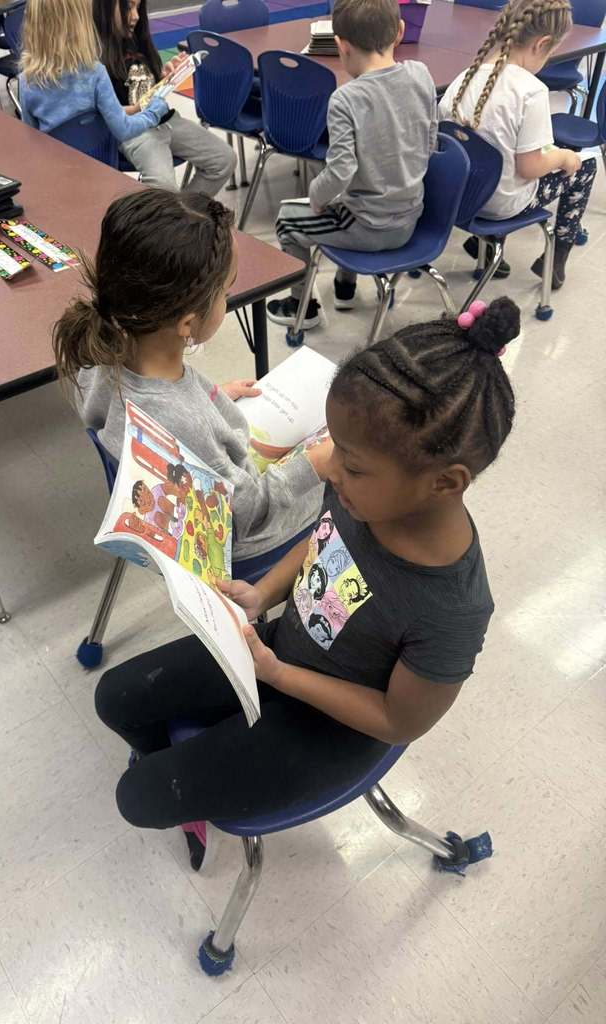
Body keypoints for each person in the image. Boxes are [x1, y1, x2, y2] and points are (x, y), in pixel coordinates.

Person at [95, 297, 521, 868]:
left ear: (446, 482)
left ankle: (188, 785)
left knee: (138, 798)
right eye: (336, 450)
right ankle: (188, 765)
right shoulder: (364, 497)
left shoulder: (452, 608)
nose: (330, 467)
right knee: (115, 698)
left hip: (332, 726)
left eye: (352, 464)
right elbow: (323, 537)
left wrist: (279, 675)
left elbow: (400, 720)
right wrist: (262, 592)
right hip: (281, 652)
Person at [52, 189, 331, 559]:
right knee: (351, 485)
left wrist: (211, 395)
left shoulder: (98, 356)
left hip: (161, 516)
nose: (228, 300)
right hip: (232, 547)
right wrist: (316, 464)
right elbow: (248, 514)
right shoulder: (187, 421)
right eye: (225, 292)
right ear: (187, 322)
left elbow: (169, 416)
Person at [267, 0, 437, 330]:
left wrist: (315, 198)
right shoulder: (421, 74)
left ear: (341, 45)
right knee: (349, 198)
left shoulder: (345, 99)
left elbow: (341, 172)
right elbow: (430, 141)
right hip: (412, 217)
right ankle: (345, 288)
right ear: (400, 32)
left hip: (371, 228)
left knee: (289, 218)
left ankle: (302, 307)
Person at [440, 0, 597, 290]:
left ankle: (485, 249)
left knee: (501, 156)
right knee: (585, 166)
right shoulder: (531, 91)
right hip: (500, 205)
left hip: (457, 196)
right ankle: (555, 261)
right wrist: (563, 157)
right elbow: (529, 167)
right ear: (542, 44)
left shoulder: (466, 77)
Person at [93, 0, 235, 195]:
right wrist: (139, 109)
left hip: (166, 120)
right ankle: (173, 218)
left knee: (224, 159)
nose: (135, 16)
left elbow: (146, 82)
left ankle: (183, 217)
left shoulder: (136, 37)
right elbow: (103, 112)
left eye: (138, 8)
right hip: (135, 131)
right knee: (165, 189)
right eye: (128, 8)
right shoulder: (95, 52)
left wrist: (164, 76)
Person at [18, 0, 168, 141]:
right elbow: (124, 129)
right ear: (81, 26)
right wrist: (154, 111)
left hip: (55, 165)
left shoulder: (26, 82)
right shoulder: (95, 73)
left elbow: (31, 140)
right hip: (100, 165)